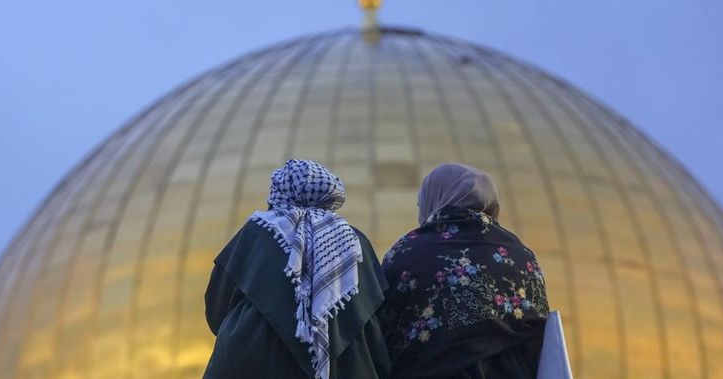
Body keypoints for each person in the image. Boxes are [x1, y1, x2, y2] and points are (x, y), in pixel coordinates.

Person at [203, 159, 390, 379]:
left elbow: (217, 305)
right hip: (346, 368)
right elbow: (380, 311)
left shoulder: (257, 232)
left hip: (251, 362)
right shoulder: (354, 242)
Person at [378, 163, 549, 378]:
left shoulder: (407, 252)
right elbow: (539, 335)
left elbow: (381, 331)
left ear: (433, 201)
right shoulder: (522, 259)